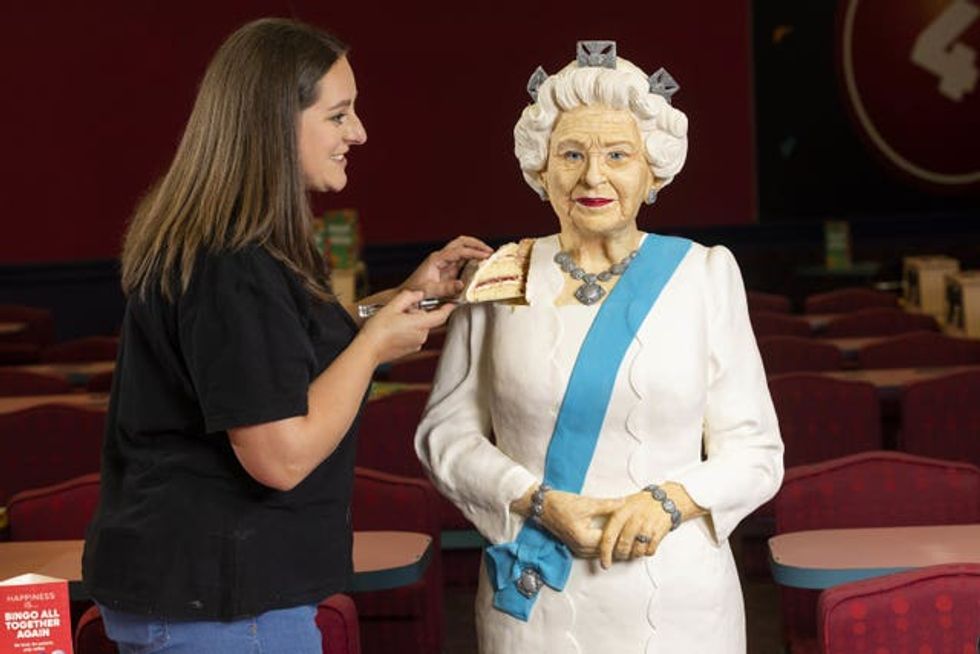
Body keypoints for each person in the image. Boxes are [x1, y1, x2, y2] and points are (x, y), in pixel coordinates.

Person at [82, 18, 491, 654]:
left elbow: (282, 348)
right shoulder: (232, 261)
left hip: (196, 595)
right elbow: (280, 457)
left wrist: (407, 296)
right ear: (275, 121)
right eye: (339, 115)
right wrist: (376, 344)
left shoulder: (228, 244)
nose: (358, 133)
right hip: (220, 609)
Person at [415, 41, 783, 653]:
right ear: (541, 167)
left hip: (678, 601)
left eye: (618, 154)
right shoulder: (502, 274)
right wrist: (536, 501)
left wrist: (670, 502)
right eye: (571, 154)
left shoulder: (705, 274)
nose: (593, 176)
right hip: (535, 601)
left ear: (651, 169)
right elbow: (443, 436)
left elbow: (756, 449)